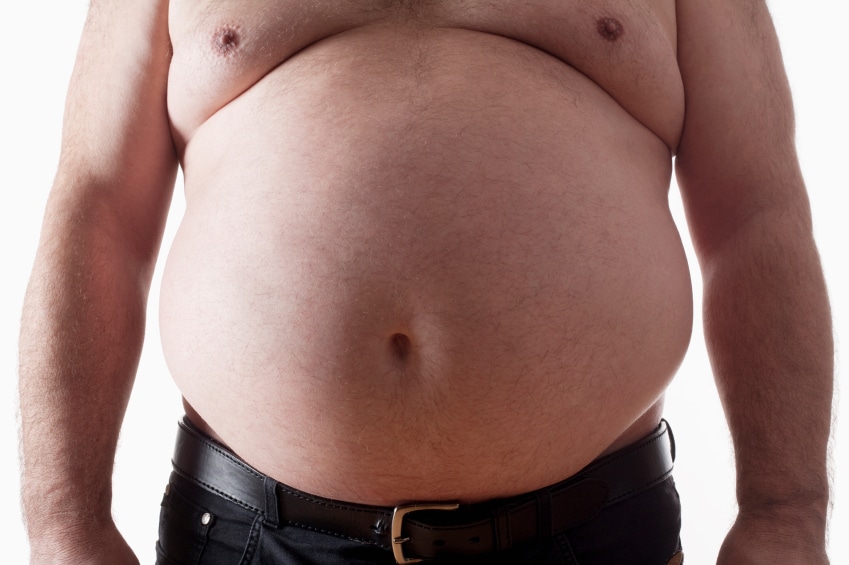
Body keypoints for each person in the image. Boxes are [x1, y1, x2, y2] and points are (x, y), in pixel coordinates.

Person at [18, 0, 833, 563]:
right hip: (253, 537)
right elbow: (98, 213)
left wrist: (783, 513)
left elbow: (755, 219)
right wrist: (65, 529)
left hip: (589, 532)